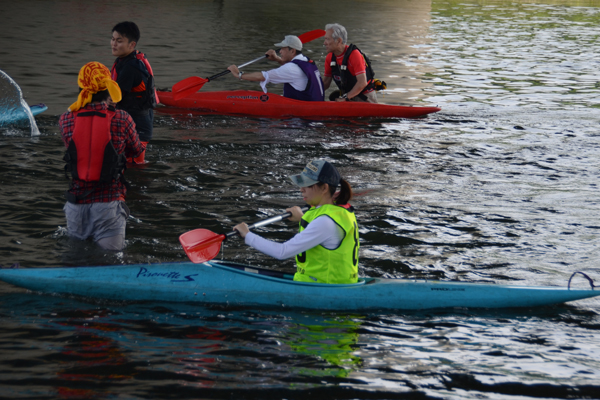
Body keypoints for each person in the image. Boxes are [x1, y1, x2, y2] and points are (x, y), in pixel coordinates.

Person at [59, 62, 146, 251]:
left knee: (75, 260)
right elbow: (137, 150)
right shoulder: (122, 118)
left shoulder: (66, 119)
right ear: (108, 86)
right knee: (111, 263)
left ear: (82, 86)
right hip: (108, 204)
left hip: (76, 205)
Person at [233, 159, 359, 284]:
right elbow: (321, 229)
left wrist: (247, 235)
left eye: (308, 184)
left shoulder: (325, 222)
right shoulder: (334, 212)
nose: (301, 189)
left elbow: (282, 252)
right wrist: (302, 218)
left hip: (323, 288)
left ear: (324, 188)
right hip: (326, 283)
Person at [110, 21, 158, 163]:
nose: (114, 44)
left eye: (119, 41)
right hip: (135, 122)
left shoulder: (131, 67)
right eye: (112, 39)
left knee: (134, 167)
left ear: (132, 45)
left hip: (138, 128)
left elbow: (114, 99)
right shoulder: (126, 60)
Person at [227, 35, 324, 101]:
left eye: (283, 49)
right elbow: (293, 69)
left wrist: (238, 74)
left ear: (292, 51)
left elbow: (262, 76)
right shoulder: (307, 60)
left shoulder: (291, 68)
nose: (280, 52)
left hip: (301, 117)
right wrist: (277, 59)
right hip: (314, 103)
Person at [323, 23, 378, 103]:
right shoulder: (329, 58)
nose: (324, 43)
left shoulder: (354, 55)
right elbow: (326, 83)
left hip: (365, 97)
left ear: (339, 41)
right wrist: (310, 94)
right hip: (347, 96)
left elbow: (362, 83)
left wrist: (345, 98)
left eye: (327, 39)